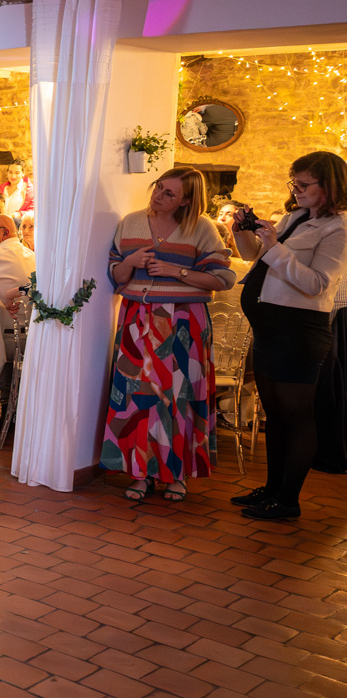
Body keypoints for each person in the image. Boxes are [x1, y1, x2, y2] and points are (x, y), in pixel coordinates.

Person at [103, 167, 236, 503]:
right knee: (137, 396)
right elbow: (115, 275)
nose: (158, 196)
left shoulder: (201, 228)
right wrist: (131, 261)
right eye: (158, 187)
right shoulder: (131, 222)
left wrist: (176, 271)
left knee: (180, 396)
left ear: (186, 201)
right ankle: (140, 472)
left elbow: (223, 279)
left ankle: (177, 474)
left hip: (184, 321)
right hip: (137, 318)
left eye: (169, 193)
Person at [231, 152, 347, 520]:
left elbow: (316, 284)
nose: (295, 191)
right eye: (293, 184)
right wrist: (242, 232)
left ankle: (287, 500)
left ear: (329, 186)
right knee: (275, 416)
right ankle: (271, 489)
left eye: (303, 185)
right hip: (270, 328)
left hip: (298, 332)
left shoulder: (338, 229)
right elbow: (255, 258)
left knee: (297, 417)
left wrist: (275, 246)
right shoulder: (295, 217)